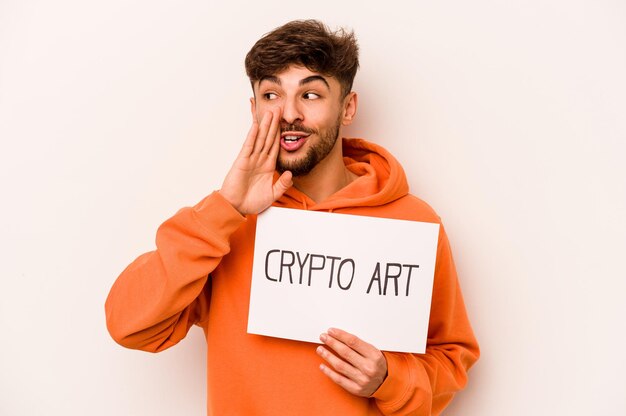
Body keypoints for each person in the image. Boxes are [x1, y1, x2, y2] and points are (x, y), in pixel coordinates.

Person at [105, 19, 479, 415]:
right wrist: (226, 209)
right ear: (254, 109)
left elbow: (450, 359)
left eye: (311, 94)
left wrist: (390, 379)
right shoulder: (226, 225)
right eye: (271, 94)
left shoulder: (413, 223)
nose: (288, 113)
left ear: (347, 107)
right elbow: (128, 324)